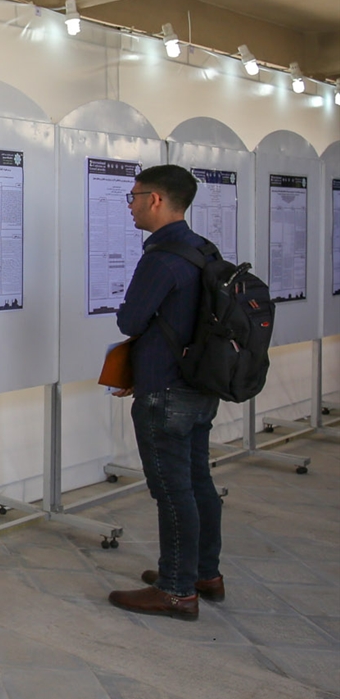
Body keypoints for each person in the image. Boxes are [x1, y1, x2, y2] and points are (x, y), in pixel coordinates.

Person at [107, 164, 224, 621]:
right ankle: (203, 574)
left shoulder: (160, 257)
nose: (131, 206)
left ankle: (176, 591)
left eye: (134, 197)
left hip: (166, 392)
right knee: (198, 483)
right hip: (200, 385)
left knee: (173, 493)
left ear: (155, 199)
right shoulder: (203, 249)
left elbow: (131, 320)